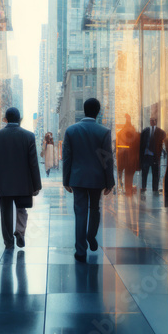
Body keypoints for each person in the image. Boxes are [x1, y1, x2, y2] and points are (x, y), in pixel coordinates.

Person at [63, 98, 115, 261]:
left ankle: (80, 251)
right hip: (96, 178)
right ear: (98, 111)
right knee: (94, 208)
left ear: (84, 110)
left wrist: (66, 180)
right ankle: (91, 236)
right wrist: (109, 182)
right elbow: (106, 159)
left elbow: (67, 158)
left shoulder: (71, 131)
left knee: (80, 212)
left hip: (77, 178)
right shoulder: (103, 132)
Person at [0, 108, 42, 249]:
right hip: (24, 183)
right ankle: (20, 232)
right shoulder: (28, 136)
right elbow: (33, 163)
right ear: (20, 119)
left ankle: (8, 242)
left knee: (6, 213)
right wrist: (36, 185)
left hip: (3, 183)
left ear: (5, 119)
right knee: (22, 209)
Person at [140, 117, 166, 195]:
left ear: (155, 121)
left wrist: (160, 150)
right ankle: (144, 187)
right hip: (146, 156)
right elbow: (141, 142)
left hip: (155, 156)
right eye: (150, 120)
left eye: (153, 120)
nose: (151, 121)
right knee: (144, 173)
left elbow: (163, 137)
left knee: (155, 173)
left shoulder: (160, 131)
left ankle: (155, 189)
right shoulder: (146, 131)